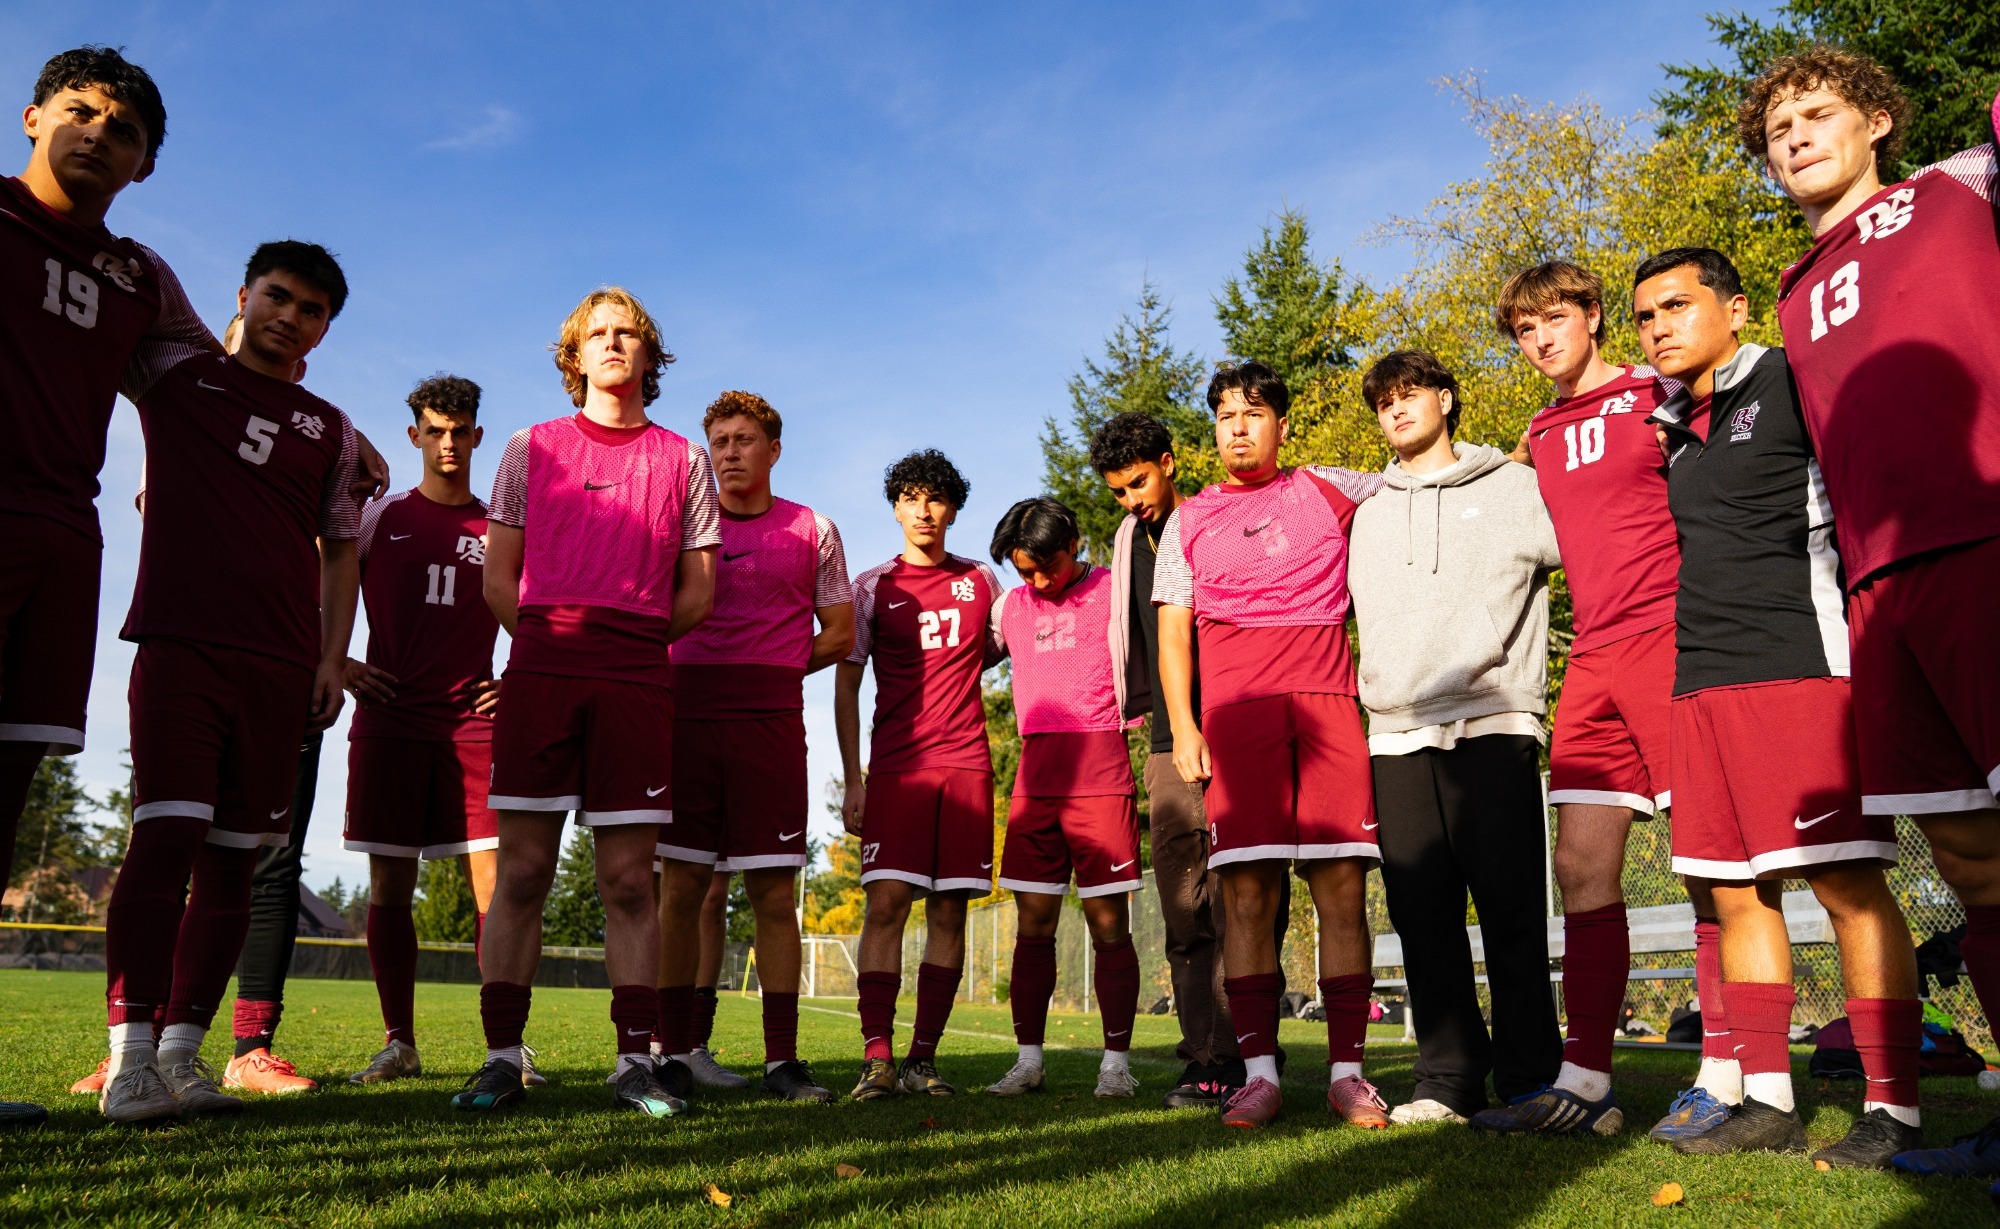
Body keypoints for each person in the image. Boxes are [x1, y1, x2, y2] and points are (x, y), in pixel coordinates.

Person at [1739, 48, 2000, 1180]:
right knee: (1968, 858)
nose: (1794, 136)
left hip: (1985, 535)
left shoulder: (1962, 183)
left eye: (1815, 112)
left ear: (1879, 119)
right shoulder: (1793, 285)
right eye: (1776, 129)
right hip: (1875, 587)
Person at [1634, 245, 1922, 1167]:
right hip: (1700, 679)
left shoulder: (1795, 379)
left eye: (1677, 305)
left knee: (1845, 883)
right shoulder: (1673, 423)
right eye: (1645, 316)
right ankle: (1768, 1099)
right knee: (1733, 890)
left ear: (1737, 308)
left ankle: (1894, 1103)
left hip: (1800, 666)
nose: (1659, 327)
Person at [97, 241, 363, 1123]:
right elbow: (139, 290)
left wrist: (331, 656)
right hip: (180, 644)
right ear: (242, 296)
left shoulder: (331, 427)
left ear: (324, 329)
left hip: (280, 663)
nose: (291, 316)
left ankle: (184, 1054)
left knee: (234, 863)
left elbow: (341, 550)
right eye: (278, 296)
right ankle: (129, 1060)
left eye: (312, 309)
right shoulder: (175, 373)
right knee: (164, 839)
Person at [1, 47, 215, 1128]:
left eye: (124, 128)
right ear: (33, 116)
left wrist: (340, 438)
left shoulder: (140, 277)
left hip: (63, 536)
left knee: (7, 787)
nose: (98, 132)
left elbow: (210, 388)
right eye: (80, 110)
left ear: (144, 166)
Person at [1473, 262, 1727, 1139]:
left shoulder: (1657, 392)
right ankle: (1585, 1083)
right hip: (1593, 656)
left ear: (1591, 315)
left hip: (1673, 637)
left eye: (1555, 318)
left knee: (1708, 863)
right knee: (1580, 865)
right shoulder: (1539, 432)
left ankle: (1728, 1071)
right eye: (1524, 329)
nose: (1540, 338)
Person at [453, 287, 720, 1119]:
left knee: (630, 881)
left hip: (637, 676)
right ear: (574, 356)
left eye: (627, 332)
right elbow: (499, 579)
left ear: (650, 352)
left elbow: (699, 590)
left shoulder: (685, 458)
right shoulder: (529, 447)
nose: (612, 343)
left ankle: (634, 1061)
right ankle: (502, 1058)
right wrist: (552, 642)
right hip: (543, 669)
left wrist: (628, 640)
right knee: (522, 872)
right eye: (596, 334)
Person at [1153, 360, 1388, 1130]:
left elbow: (1421, 479)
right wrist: (1185, 725)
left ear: (1282, 426)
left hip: (1328, 707)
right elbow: (1173, 632)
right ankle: (1258, 1074)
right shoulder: (1190, 518)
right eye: (1226, 416)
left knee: (1341, 887)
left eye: (1253, 413)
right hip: (1235, 716)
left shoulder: (1329, 487)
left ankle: (1349, 1074)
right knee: (1247, 894)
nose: (1239, 428)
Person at [1345, 350, 1565, 1125]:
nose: (1397, 410)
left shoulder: (1513, 487)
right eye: (1384, 404)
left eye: (1410, 395)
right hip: (1396, 730)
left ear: (1446, 397)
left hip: (1493, 717)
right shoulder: (1368, 511)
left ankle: (1532, 1076)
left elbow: (1590, 541)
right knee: (1423, 915)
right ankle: (1447, 1080)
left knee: (1511, 908)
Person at [655, 390, 852, 1104]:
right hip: (683, 719)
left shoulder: (812, 528)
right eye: (719, 440)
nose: (729, 452)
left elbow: (839, 631)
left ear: (773, 449)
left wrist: (774, 665)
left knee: (772, 892)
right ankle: (672, 1051)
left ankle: (781, 1061)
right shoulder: (680, 524)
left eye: (743, 439)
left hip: (769, 726)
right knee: (681, 888)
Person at [1091, 411, 1290, 1109]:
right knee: (1185, 910)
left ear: (1170, 463)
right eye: (1118, 491)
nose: (1131, 500)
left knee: (1250, 900)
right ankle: (1203, 1056)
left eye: (1139, 482)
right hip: (1169, 743)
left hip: (1239, 727)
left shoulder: (1215, 519)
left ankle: (1248, 1050)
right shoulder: (1128, 542)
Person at [341, 374, 509, 1085]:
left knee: (495, 890)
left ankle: (506, 1046)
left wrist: (519, 681)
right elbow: (323, 582)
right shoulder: (379, 517)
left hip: (475, 725)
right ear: (414, 435)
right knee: (390, 885)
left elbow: (542, 611)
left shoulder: (500, 526)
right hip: (391, 717)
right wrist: (336, 662)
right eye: (435, 430)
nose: (448, 442)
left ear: (477, 436)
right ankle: (399, 1042)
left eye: (460, 431)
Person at [835, 450, 1004, 1100]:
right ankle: (876, 1057)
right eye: (910, 498)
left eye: (935, 498)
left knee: (950, 910)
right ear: (896, 508)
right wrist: (853, 778)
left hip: (966, 766)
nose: (923, 510)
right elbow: (846, 686)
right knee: (886, 902)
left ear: (953, 509)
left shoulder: (982, 579)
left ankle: (921, 1060)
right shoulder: (872, 586)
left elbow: (1003, 645)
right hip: (897, 770)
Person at [981, 497, 1144, 1101]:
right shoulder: (1009, 607)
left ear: (1073, 544)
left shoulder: (1114, 589)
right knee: (1033, 925)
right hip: (1035, 778)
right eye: (1025, 571)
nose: (1038, 581)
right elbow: (959, 662)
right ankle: (1029, 1061)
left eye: (1047, 567)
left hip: (1101, 769)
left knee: (1109, 924)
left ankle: (1116, 1064)